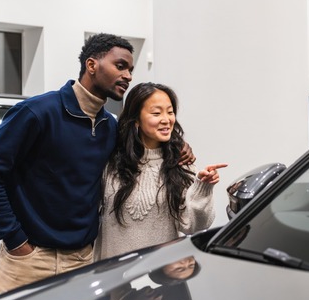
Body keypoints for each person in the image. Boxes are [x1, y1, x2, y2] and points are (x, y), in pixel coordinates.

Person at [0, 34, 193, 297]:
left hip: (82, 261)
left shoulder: (109, 126)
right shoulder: (38, 112)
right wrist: (16, 240)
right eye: (120, 66)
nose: (128, 76)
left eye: (130, 69)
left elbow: (142, 145)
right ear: (92, 65)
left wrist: (177, 146)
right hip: (29, 260)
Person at [95, 82, 227, 260]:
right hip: (113, 276)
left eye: (170, 112)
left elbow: (194, 226)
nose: (166, 119)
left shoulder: (181, 162)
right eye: (156, 113)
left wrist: (203, 187)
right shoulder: (111, 159)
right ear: (136, 120)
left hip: (160, 277)